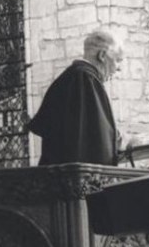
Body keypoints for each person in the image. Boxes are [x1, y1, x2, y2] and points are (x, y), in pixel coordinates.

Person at [27, 28, 125, 166]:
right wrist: (122, 143)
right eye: (118, 60)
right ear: (102, 56)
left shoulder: (70, 78)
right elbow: (98, 141)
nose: (119, 68)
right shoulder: (86, 80)